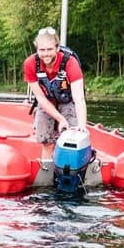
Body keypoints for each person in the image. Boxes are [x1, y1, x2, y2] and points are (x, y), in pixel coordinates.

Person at [23, 27, 88, 159]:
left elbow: (79, 98)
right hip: (46, 101)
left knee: (71, 140)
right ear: (37, 50)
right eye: (42, 50)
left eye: (49, 49)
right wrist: (60, 119)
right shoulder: (30, 64)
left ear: (57, 48)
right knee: (46, 142)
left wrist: (82, 125)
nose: (46, 54)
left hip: (68, 101)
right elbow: (40, 97)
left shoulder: (70, 62)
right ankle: (47, 167)